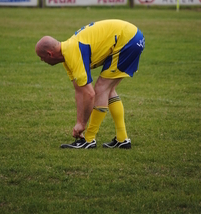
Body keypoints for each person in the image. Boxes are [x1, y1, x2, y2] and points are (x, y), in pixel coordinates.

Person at [35, 19, 145, 149]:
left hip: (128, 39)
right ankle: (122, 139)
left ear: (50, 54)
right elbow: (79, 91)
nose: (42, 60)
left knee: (101, 89)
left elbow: (89, 94)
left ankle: (89, 139)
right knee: (108, 90)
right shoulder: (67, 55)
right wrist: (79, 121)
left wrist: (82, 124)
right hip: (130, 37)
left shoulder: (72, 53)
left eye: (42, 57)